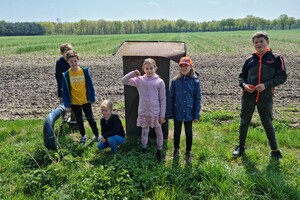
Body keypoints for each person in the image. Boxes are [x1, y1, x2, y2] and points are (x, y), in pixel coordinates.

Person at [232, 32, 287, 160]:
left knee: (267, 122)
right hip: (248, 96)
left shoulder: (276, 58)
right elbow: (242, 77)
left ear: (267, 42)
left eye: (261, 41)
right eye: (256, 42)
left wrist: (267, 85)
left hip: (265, 96)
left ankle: (274, 150)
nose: (258, 44)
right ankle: (241, 147)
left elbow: (282, 77)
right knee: (244, 121)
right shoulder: (250, 59)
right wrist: (244, 85)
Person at [121, 58, 166, 161]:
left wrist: (162, 114)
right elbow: (123, 81)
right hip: (143, 112)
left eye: (151, 68)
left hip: (155, 112)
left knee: (158, 131)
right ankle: (143, 148)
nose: (149, 70)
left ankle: (159, 149)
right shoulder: (139, 80)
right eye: (147, 68)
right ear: (143, 69)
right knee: (144, 131)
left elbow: (163, 99)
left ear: (155, 68)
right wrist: (133, 73)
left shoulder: (159, 82)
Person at [169, 56, 201, 164]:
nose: (183, 68)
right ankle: (176, 149)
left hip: (189, 112)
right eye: (181, 66)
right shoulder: (175, 81)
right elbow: (171, 97)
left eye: (186, 65)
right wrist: (170, 112)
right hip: (177, 111)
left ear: (190, 66)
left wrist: (196, 114)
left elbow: (197, 98)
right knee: (176, 131)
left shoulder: (195, 81)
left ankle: (188, 151)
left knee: (188, 132)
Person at [62, 50, 99, 144]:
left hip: (85, 100)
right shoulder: (66, 75)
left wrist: (92, 97)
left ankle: (97, 135)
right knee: (79, 120)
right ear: (68, 62)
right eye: (71, 61)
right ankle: (83, 136)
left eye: (75, 61)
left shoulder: (84, 71)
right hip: (74, 102)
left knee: (90, 118)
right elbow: (65, 91)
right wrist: (67, 104)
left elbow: (90, 84)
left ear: (78, 60)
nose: (73, 63)